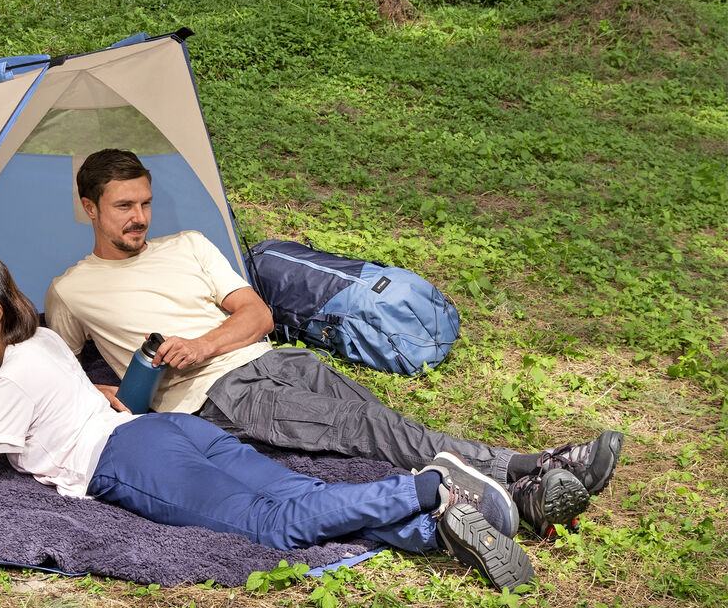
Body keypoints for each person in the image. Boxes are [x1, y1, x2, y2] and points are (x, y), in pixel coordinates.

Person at [0, 235, 536, 591]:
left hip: (131, 461)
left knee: (274, 525)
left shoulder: (7, 384)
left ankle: (428, 487)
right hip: (172, 428)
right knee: (298, 495)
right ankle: (435, 529)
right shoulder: (39, 344)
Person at [44, 149, 624, 540]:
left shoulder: (190, 244)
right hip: (216, 397)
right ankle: (534, 468)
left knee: (382, 425)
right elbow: (53, 370)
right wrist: (102, 389)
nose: (139, 217)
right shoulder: (71, 289)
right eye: (124, 207)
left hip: (275, 360)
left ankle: (513, 496)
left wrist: (201, 343)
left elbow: (258, 315)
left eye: (145, 203)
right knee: (362, 428)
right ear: (90, 208)